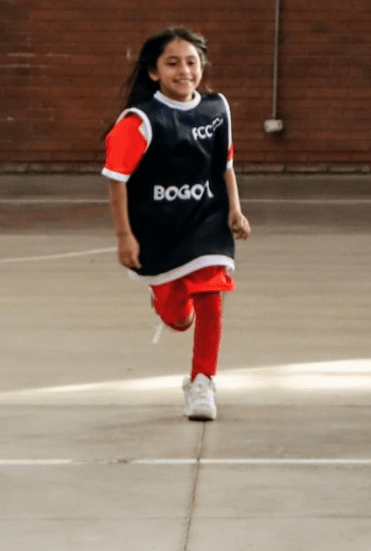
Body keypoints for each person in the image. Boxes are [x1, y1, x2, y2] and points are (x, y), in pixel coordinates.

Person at [102, 27, 250, 422]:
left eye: (191, 62)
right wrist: (124, 236)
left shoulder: (217, 109)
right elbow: (116, 178)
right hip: (158, 226)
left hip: (207, 220)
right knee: (180, 319)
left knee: (212, 297)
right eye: (172, 63)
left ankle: (202, 381)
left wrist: (235, 210)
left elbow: (225, 166)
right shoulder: (140, 120)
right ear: (154, 72)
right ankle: (166, 301)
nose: (184, 70)